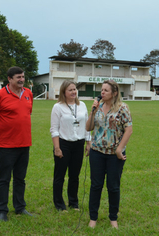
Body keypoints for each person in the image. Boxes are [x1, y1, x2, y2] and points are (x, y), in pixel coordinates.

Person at [0, 66, 33, 222]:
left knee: (20, 178)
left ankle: (20, 207)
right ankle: (2, 210)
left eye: (22, 77)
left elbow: (26, 114)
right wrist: (2, 130)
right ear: (9, 79)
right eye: (18, 77)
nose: (21, 79)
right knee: (4, 179)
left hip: (24, 144)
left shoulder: (28, 94)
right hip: (6, 145)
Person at [86, 80, 133, 229]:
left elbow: (129, 130)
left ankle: (113, 218)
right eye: (102, 90)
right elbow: (89, 127)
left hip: (114, 155)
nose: (102, 92)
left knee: (113, 187)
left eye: (106, 90)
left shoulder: (122, 108)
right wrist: (92, 111)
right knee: (96, 186)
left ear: (114, 93)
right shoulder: (98, 106)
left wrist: (119, 149)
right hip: (97, 152)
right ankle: (93, 218)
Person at [50, 80, 91, 211]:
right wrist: (57, 148)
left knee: (74, 176)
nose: (74, 92)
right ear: (64, 92)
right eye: (70, 90)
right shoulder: (58, 107)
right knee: (59, 176)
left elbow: (87, 126)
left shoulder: (82, 105)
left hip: (78, 144)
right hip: (63, 144)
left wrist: (88, 142)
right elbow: (54, 129)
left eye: (74, 89)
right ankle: (59, 204)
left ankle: (73, 203)